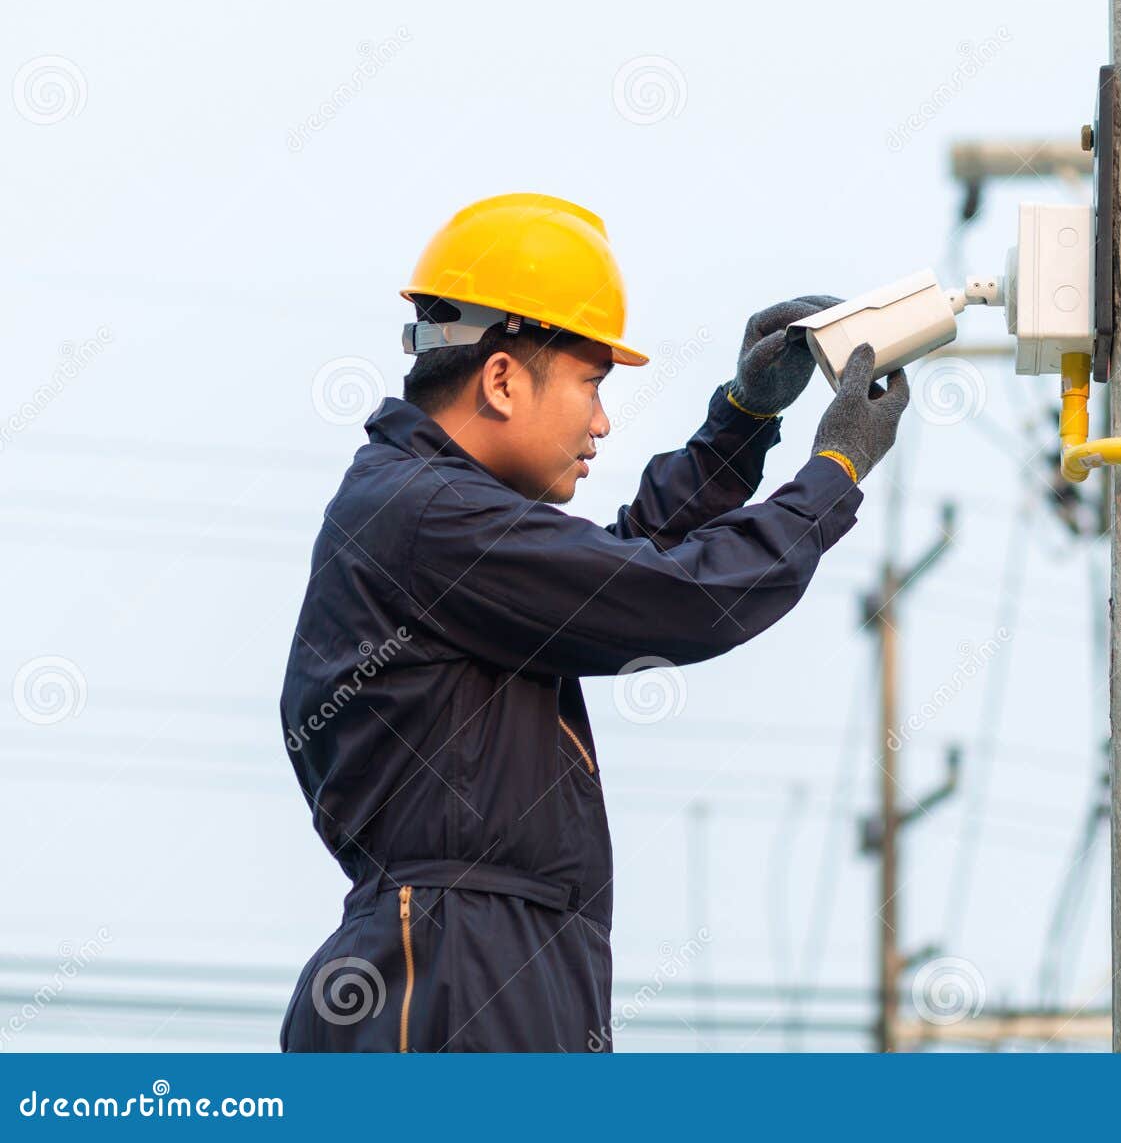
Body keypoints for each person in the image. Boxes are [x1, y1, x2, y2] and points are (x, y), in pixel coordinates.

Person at [278, 193, 910, 1051]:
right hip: (457, 975)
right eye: (592, 382)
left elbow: (616, 570)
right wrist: (830, 473)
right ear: (501, 377)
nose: (603, 421)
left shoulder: (431, 514)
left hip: (485, 963)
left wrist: (744, 421)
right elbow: (677, 596)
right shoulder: (429, 516)